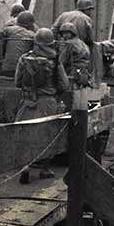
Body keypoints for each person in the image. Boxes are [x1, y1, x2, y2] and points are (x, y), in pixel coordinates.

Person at [14, 28, 70, 183]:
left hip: (27, 101)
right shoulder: (55, 60)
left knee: (25, 135)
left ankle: (25, 167)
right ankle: (45, 169)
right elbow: (64, 85)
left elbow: (17, 82)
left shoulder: (24, 58)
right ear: (51, 43)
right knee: (49, 135)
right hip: (48, 103)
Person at [0, 11, 36, 78]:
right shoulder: (32, 35)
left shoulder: (9, 30)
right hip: (21, 72)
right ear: (29, 24)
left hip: (6, 69)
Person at [57, 22, 92, 88]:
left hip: (72, 74)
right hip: (84, 74)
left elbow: (61, 62)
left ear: (72, 33)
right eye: (63, 33)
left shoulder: (68, 44)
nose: (64, 36)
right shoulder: (82, 43)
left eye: (67, 33)